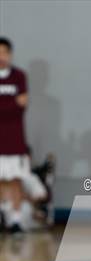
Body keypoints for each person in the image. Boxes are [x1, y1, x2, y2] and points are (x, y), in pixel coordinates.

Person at [0, 37, 30, 234]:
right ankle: (5, 216)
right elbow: (16, 104)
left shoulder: (19, 76)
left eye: (4, 52)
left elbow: (23, 103)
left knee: (15, 179)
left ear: (10, 54)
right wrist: (12, 104)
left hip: (14, 137)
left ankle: (16, 219)